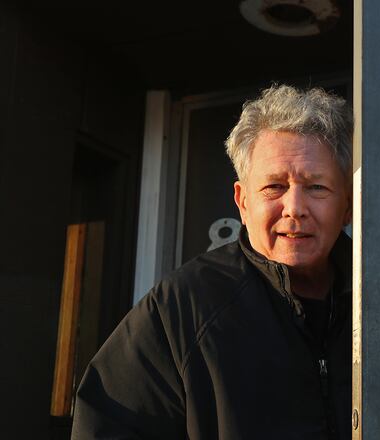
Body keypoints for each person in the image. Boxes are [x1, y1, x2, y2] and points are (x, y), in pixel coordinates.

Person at [72, 85, 354, 439]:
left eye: (316, 187)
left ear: (347, 204)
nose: (295, 207)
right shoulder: (180, 310)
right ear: (243, 202)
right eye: (273, 187)